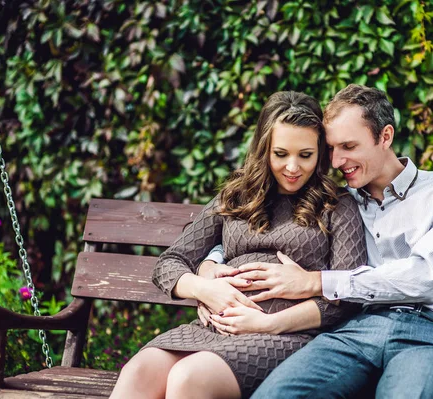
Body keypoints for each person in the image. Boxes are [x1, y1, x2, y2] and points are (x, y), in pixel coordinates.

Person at [203, 84, 433, 398]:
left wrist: (318, 282)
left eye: (348, 146)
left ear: (385, 136)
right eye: (332, 148)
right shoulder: (340, 204)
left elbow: (426, 278)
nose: (336, 161)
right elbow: (268, 233)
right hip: (357, 333)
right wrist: (213, 263)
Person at [109, 91, 367, 399]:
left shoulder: (337, 206)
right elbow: (170, 262)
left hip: (289, 335)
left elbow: (348, 298)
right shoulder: (235, 197)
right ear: (263, 149)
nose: (293, 167)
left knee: (189, 378)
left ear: (320, 153)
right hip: (214, 328)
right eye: (281, 154)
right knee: (138, 372)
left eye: (306, 155)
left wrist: (268, 322)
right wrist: (206, 290)